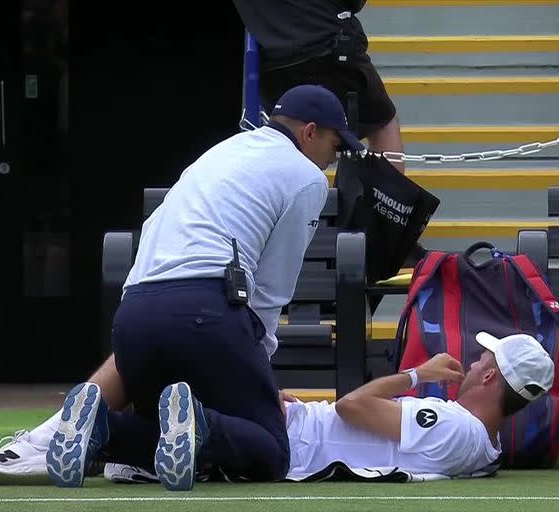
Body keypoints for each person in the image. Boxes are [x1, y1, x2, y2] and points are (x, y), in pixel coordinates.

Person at [46, 83, 365, 491]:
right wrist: (260, 373)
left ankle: (101, 428)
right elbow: (271, 290)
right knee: (271, 451)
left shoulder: (225, 150)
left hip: (134, 316)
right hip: (205, 310)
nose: (331, 161)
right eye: (334, 147)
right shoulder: (306, 177)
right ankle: (199, 425)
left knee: (162, 431)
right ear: (309, 133)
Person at [0, 331, 554, 484]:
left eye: (480, 357)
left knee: (150, 355)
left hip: (287, 439)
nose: (470, 360)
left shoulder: (456, 425)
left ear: (491, 372)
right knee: (118, 434)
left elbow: (356, 409)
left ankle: (22, 446)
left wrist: (412, 374)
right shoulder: (479, 446)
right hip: (291, 436)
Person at [232, 0, 405, 173]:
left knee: (291, 140)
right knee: (383, 124)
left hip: (274, 61)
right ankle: (391, 198)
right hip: (327, 43)